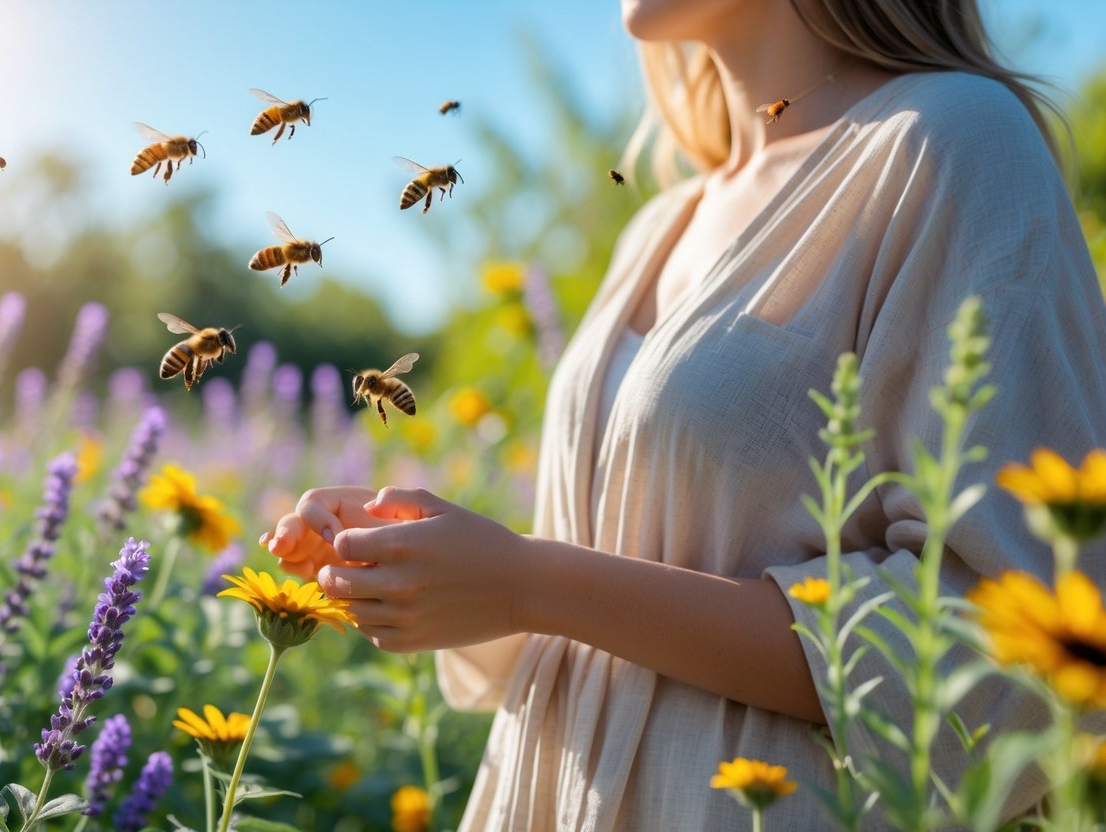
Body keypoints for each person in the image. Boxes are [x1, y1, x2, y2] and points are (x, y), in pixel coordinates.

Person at [262, 0, 1106, 828]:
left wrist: (528, 583)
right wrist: (430, 564)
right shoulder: (662, 223)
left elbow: (1019, 632)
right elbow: (611, 589)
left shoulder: (954, 140)